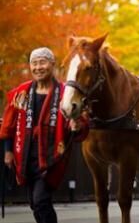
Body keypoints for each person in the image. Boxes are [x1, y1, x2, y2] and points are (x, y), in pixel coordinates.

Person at [0, 47, 88, 223]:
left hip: (52, 157)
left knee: (40, 201)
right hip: (25, 156)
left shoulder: (65, 93)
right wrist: (8, 151)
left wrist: (76, 124)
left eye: (42, 62)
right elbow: (8, 125)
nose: (38, 67)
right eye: (34, 63)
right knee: (35, 203)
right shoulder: (21, 92)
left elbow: (81, 124)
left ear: (52, 64)